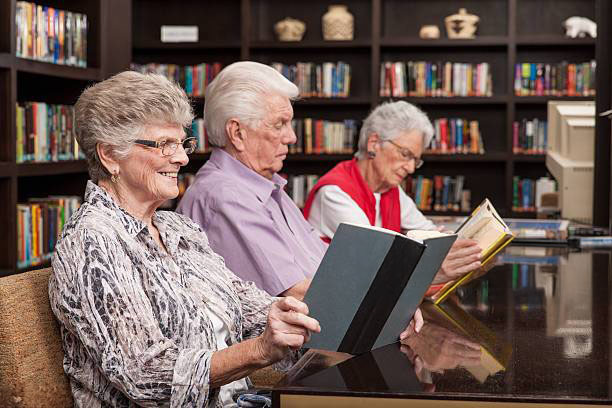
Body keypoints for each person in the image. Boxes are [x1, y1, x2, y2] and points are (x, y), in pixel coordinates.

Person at [48, 71, 329, 408]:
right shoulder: (92, 243)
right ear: (110, 155)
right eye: (164, 144)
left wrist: (302, 317)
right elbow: (146, 375)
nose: (182, 158)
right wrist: (259, 350)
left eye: (183, 143)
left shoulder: (179, 229)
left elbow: (251, 307)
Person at [176, 61, 327, 299]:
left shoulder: (267, 184)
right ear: (237, 133)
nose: (292, 136)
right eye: (279, 125)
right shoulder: (225, 196)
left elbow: (326, 265)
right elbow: (297, 295)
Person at [303, 101, 483, 287]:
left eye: (416, 160)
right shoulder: (334, 193)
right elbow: (375, 259)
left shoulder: (390, 189)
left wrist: (458, 244)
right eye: (405, 154)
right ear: (374, 144)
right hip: (337, 299)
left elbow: (428, 232)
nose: (411, 168)